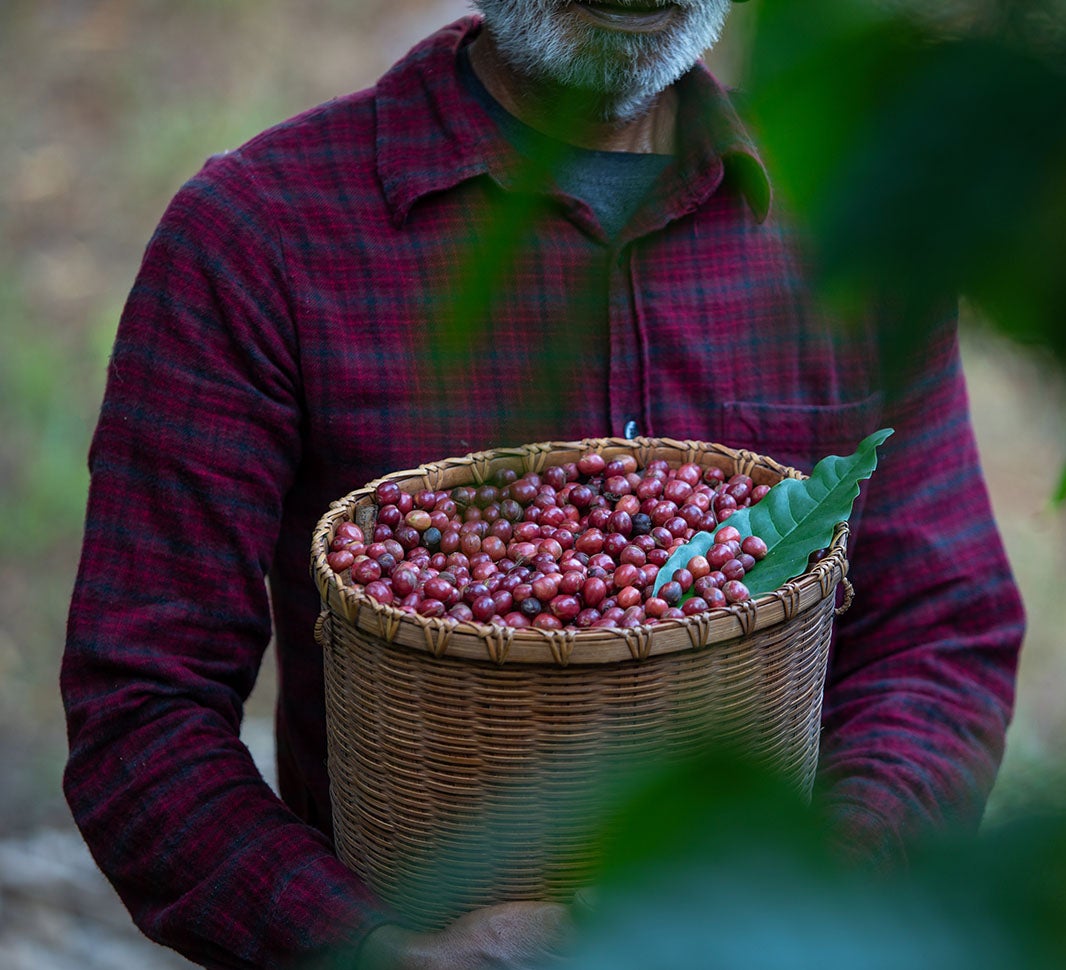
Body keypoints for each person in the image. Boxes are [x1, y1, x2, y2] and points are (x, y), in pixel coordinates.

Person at [61, 1, 1025, 968]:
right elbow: (141, 706)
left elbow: (938, 631)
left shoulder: (854, 213)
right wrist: (376, 949)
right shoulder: (258, 235)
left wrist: (817, 899)